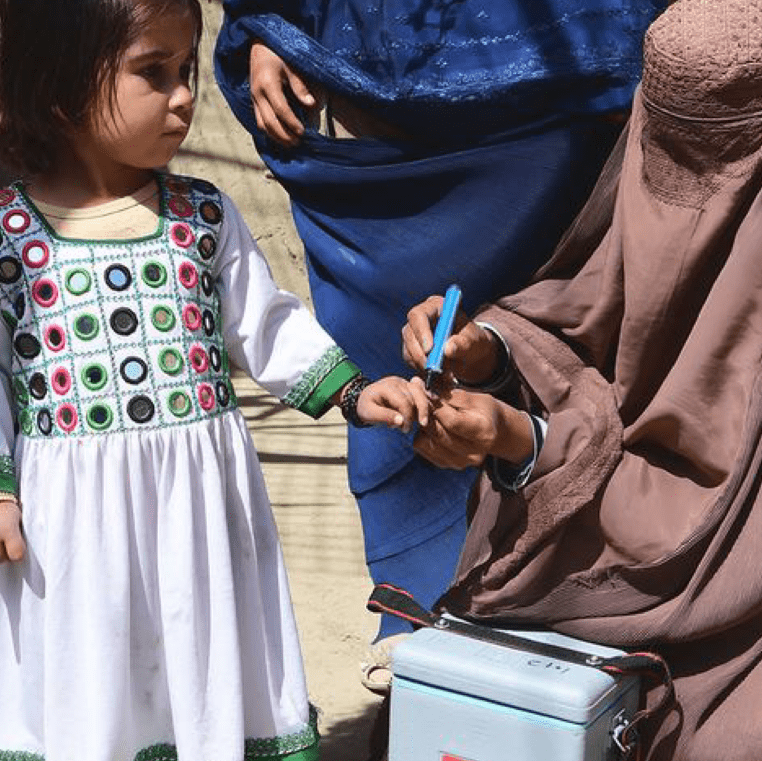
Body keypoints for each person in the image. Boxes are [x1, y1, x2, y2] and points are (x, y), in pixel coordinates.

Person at [0, 2, 431, 761]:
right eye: (152, 73)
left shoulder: (202, 216)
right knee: (95, 674)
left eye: (186, 69)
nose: (183, 96)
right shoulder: (12, 237)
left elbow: (267, 327)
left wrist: (356, 394)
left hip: (199, 511)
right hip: (70, 527)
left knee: (203, 653)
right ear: (61, 90)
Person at [213, 0, 667, 662]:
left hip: (573, 109)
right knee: (421, 382)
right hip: (389, 96)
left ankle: (564, 631)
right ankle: (427, 626)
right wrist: (270, 24)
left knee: (577, 358)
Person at [402, 0, 762, 761]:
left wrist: (527, 439)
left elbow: (712, 502)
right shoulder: (648, 174)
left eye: (709, 147)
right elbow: (585, 309)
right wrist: (485, 348)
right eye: (663, 138)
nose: (675, 179)